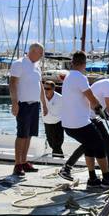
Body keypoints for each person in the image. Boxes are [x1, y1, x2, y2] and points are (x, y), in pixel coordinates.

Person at [59, 70, 109, 182]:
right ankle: (69, 167)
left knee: (103, 141)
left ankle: (99, 173)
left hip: (91, 116)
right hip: (88, 117)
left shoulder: (107, 84)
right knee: (95, 142)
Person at [60, 51, 109, 188]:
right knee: (100, 145)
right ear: (84, 64)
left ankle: (92, 179)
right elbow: (92, 99)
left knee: (90, 146)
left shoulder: (68, 77)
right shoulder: (80, 78)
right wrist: (100, 110)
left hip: (67, 123)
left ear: (72, 62)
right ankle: (107, 179)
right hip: (79, 123)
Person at [9, 43, 47, 176]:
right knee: (21, 134)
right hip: (23, 104)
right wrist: (14, 103)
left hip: (34, 104)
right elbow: (12, 83)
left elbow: (40, 85)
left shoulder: (36, 66)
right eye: (40, 52)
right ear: (33, 51)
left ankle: (24, 161)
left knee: (29, 134)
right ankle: (17, 164)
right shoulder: (19, 64)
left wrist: (44, 103)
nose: (42, 55)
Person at [42, 80, 64, 158]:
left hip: (58, 122)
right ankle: (59, 158)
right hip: (47, 122)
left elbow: (66, 109)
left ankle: (58, 159)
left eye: (48, 89)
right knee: (51, 143)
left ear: (53, 89)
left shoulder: (60, 98)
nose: (45, 90)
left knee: (58, 143)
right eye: (44, 88)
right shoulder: (41, 97)